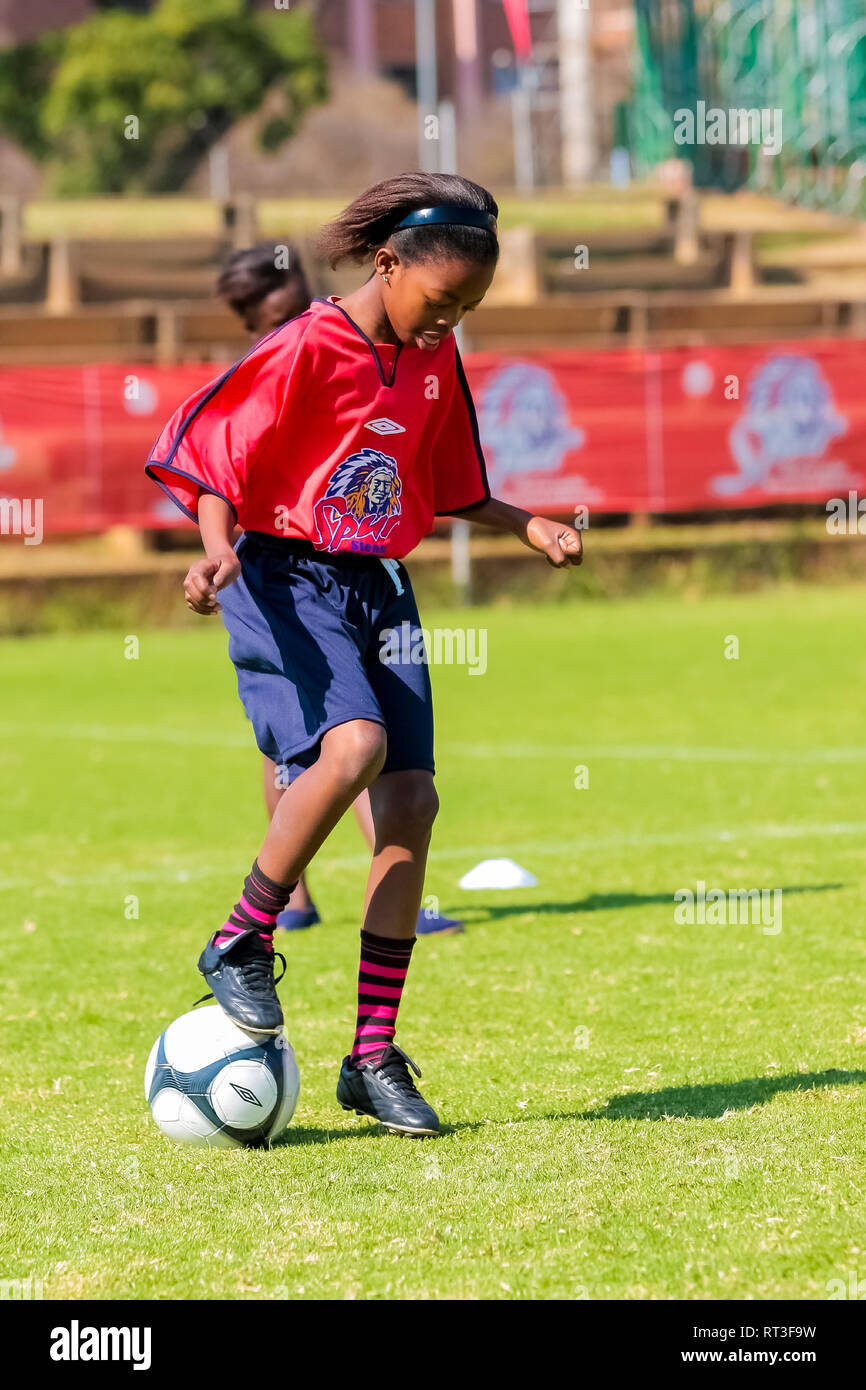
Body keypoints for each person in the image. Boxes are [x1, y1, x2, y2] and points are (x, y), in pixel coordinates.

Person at [146, 172, 582, 1136]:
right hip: (279, 571)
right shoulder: (306, 342)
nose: (451, 322)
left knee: (413, 802)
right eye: (442, 301)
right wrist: (216, 553)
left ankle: (372, 1055)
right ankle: (242, 936)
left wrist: (523, 523)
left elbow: (443, 480)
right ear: (387, 265)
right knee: (352, 747)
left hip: (377, 583)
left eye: (469, 308)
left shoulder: (435, 357)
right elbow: (215, 456)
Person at [217, 242, 464, 936]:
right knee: (331, 745)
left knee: (342, 743)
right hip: (279, 571)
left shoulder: (356, 344)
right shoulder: (274, 362)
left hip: (351, 566)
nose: (295, 317)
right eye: (276, 312)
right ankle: (280, 902)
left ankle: (330, 898)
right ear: (253, 320)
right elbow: (226, 469)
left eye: (298, 302)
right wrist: (221, 553)